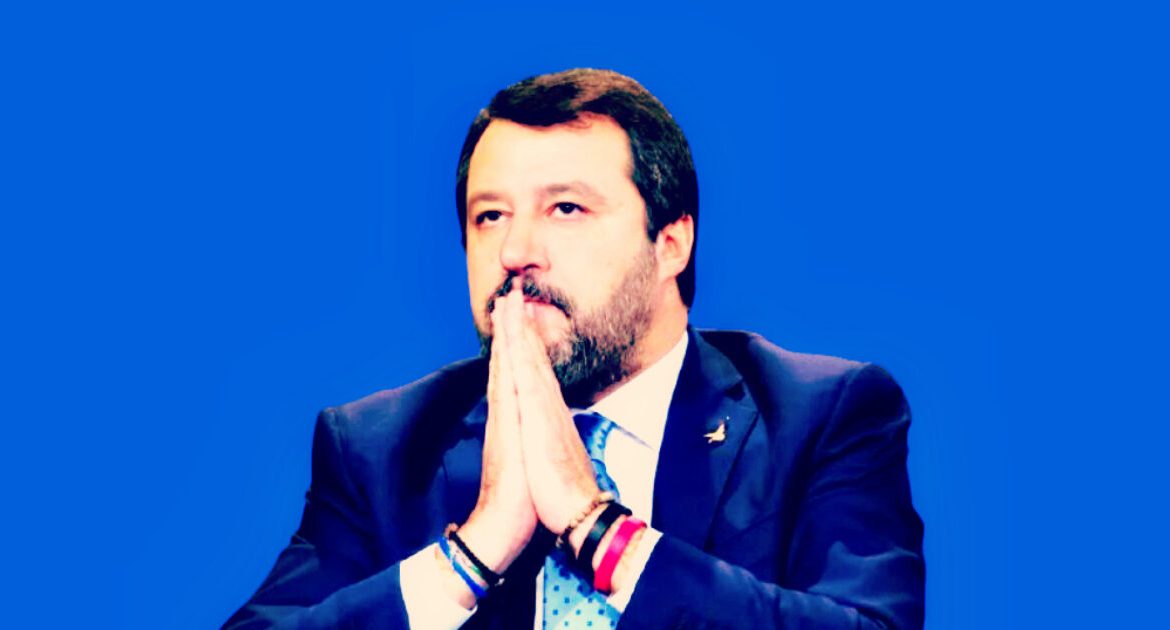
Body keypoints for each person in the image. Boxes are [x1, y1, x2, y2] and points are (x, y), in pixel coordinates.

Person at [225, 68, 925, 630]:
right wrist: (472, 555)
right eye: (490, 216)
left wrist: (597, 529)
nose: (514, 252)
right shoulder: (379, 448)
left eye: (565, 208)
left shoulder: (818, 416)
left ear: (671, 243)